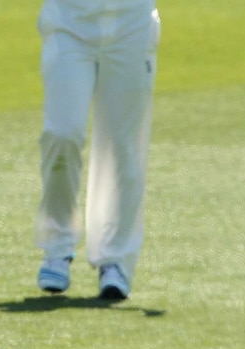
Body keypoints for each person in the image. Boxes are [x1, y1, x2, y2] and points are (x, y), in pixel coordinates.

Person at [34, 0, 160, 299]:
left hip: (132, 27)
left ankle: (115, 259)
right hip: (68, 24)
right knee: (62, 134)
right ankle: (57, 247)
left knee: (124, 146)